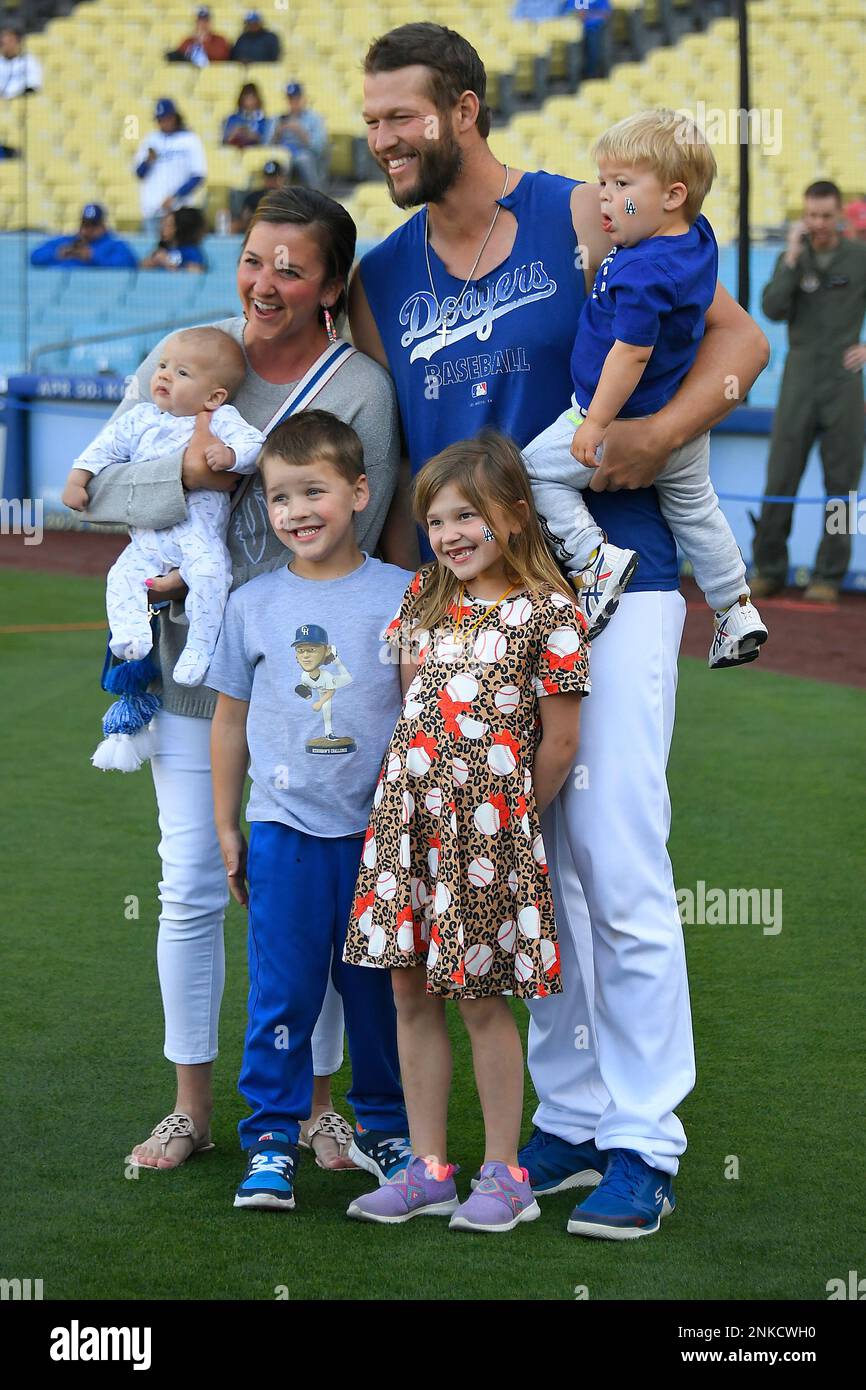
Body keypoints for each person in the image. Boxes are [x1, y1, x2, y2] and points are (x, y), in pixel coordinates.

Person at [350, 22, 769, 1238]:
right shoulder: (383, 271)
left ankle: (645, 1135)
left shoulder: (579, 206)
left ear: (464, 112)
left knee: (617, 858)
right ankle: (575, 1115)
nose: (382, 139)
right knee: (532, 867)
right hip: (475, 617)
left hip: (612, 579)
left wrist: (650, 434)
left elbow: (737, 340)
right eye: (371, 119)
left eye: (401, 117)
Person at [80, 188, 403, 1176]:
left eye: (292, 269)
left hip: (303, 680)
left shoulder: (358, 389)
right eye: (256, 259)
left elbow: (351, 527)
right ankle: (191, 1108)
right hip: (182, 666)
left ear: (330, 286)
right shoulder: (191, 348)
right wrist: (194, 475)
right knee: (186, 884)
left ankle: (314, 1108)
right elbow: (100, 499)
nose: (266, 284)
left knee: (301, 895)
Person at [344, 432, 590, 1232]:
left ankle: (503, 1172)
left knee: (480, 998)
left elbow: (559, 741)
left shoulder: (551, 613)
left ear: (515, 518)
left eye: (466, 516)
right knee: (408, 990)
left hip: (487, 840)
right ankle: (427, 1169)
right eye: (435, 519)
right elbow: (412, 703)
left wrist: (508, 818)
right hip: (407, 825)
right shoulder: (422, 595)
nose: (448, 534)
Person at [208, 411, 411, 1210]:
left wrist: (417, 827)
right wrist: (229, 823)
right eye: (279, 495)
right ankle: (270, 1139)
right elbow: (229, 723)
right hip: (283, 831)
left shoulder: (404, 593)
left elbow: (417, 708)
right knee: (283, 993)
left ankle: (390, 1128)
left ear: (358, 492)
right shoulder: (253, 604)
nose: (296, 510)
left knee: (381, 992)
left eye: (313, 491)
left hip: (379, 837)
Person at [523, 109, 767, 669]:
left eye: (621, 185)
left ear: (673, 195)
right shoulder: (696, 238)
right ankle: (735, 606)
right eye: (603, 182)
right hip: (679, 418)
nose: (603, 198)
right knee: (696, 509)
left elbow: (631, 352)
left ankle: (596, 561)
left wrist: (595, 422)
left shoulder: (643, 271)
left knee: (533, 472)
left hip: (620, 418)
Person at [63, 329, 265, 693]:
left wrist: (231, 455)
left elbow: (255, 445)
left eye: (182, 373)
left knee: (210, 574)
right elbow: (102, 449)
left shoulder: (219, 418)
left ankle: (201, 646)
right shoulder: (138, 419)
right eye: (163, 366)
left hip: (196, 534)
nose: (165, 375)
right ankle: (131, 637)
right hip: (147, 537)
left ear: (214, 396)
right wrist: (78, 479)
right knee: (121, 575)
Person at [751, 180, 866, 605]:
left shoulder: (859, 256)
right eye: (811, 215)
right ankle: (769, 569)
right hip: (799, 378)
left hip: (843, 381)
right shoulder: (791, 259)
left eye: (825, 215)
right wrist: (793, 258)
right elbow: (772, 308)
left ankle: (828, 574)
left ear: (839, 215)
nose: (818, 223)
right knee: (781, 475)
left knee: (842, 484)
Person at [133, 98, 207, 244]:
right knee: (154, 252)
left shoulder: (189, 139)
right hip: (152, 210)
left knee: (179, 250)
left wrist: (175, 196)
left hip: (179, 212)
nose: (163, 123)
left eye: (166, 118)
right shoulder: (151, 139)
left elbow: (198, 175)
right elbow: (139, 173)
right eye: (160, 119)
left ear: (174, 117)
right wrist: (148, 161)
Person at [30, 203, 137, 269]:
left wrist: (92, 256)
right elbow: (35, 257)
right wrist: (57, 253)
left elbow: (128, 265)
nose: (88, 229)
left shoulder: (115, 244)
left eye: (93, 225)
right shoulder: (68, 240)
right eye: (85, 224)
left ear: (103, 225)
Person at [272, 83, 329, 189]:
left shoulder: (314, 118)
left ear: (303, 99)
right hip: (282, 152)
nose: (293, 102)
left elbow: (320, 148)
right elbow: (266, 145)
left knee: (303, 159)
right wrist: (277, 133)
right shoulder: (279, 118)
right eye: (290, 99)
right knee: (279, 160)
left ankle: (316, 196)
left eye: (296, 99)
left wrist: (300, 132)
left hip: (305, 152)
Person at [139, 207, 208, 273]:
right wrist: (153, 262)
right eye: (162, 224)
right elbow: (141, 267)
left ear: (179, 228)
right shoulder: (161, 250)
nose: (162, 229)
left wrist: (168, 262)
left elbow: (197, 271)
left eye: (168, 226)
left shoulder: (190, 251)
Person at [233, 159, 286, 235]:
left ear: (282, 178)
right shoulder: (252, 198)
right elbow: (240, 223)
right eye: (268, 178)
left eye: (274, 178)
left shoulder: (289, 198)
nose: (271, 181)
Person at [166, 7, 231, 64]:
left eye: (205, 21)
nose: (202, 25)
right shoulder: (188, 41)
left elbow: (222, 57)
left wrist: (204, 43)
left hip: (214, 75)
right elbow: (178, 57)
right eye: (199, 21)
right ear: (195, 23)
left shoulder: (219, 40)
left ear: (210, 23)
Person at [0, 22, 42, 99]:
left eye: (10, 40)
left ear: (18, 42)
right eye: (3, 43)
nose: (6, 45)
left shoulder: (29, 60)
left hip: (22, 100)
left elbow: (33, 85)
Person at [222, 83, 270, 148]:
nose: (249, 101)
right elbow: (224, 142)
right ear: (241, 99)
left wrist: (249, 134)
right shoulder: (232, 118)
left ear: (257, 99)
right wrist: (234, 133)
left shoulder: (263, 120)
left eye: (252, 97)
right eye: (246, 97)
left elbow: (267, 142)